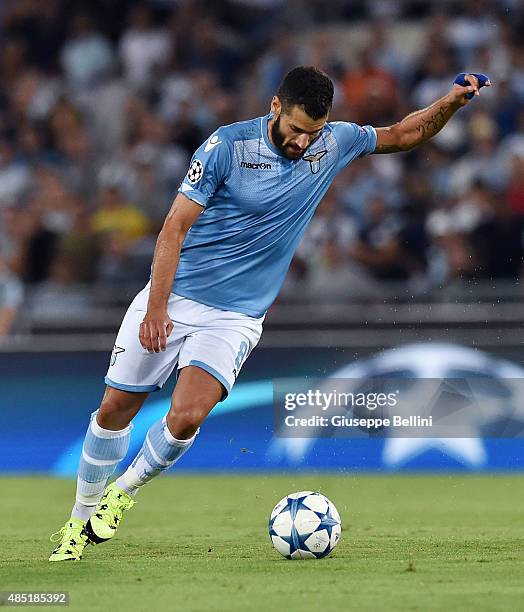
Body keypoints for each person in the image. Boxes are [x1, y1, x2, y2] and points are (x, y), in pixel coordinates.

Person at [49, 66, 489, 561]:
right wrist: (156, 307)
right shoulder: (226, 147)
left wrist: (450, 102)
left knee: (187, 415)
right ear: (276, 107)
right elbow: (174, 227)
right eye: (298, 129)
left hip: (235, 316)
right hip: (174, 296)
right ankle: (77, 522)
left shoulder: (334, 142)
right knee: (114, 411)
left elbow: (404, 133)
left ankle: (121, 494)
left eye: (315, 132)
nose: (305, 142)